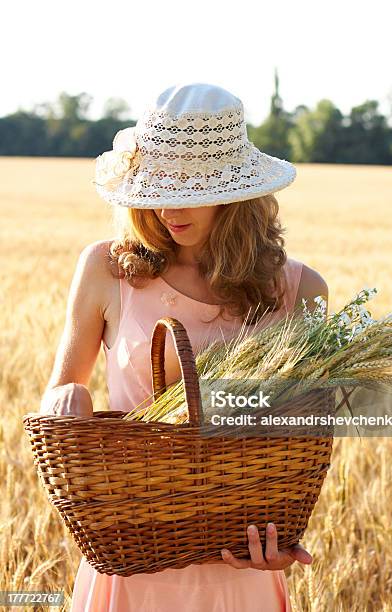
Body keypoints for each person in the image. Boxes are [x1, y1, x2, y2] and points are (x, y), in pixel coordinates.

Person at [40, 82, 328, 612]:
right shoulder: (107, 268)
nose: (170, 207)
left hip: (239, 567)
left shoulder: (297, 289)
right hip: (130, 558)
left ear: (236, 190)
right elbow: (61, 393)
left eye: (192, 187)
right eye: (158, 184)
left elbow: (301, 441)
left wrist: (282, 540)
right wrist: (65, 405)